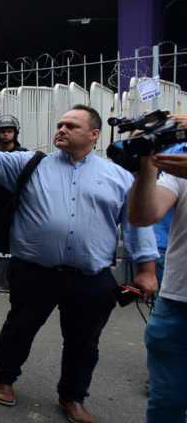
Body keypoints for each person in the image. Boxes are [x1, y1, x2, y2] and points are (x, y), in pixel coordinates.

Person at [0, 104, 158, 423]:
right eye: (60, 124)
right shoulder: (29, 163)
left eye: (71, 125)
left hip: (91, 277)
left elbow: (138, 225)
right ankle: (5, 378)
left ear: (94, 135)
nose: (62, 129)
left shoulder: (119, 176)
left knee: (84, 343)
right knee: (20, 328)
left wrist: (147, 270)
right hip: (34, 272)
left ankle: (73, 397)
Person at [127, 126, 187, 422]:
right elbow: (142, 216)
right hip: (175, 303)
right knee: (165, 404)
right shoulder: (181, 167)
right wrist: (145, 168)